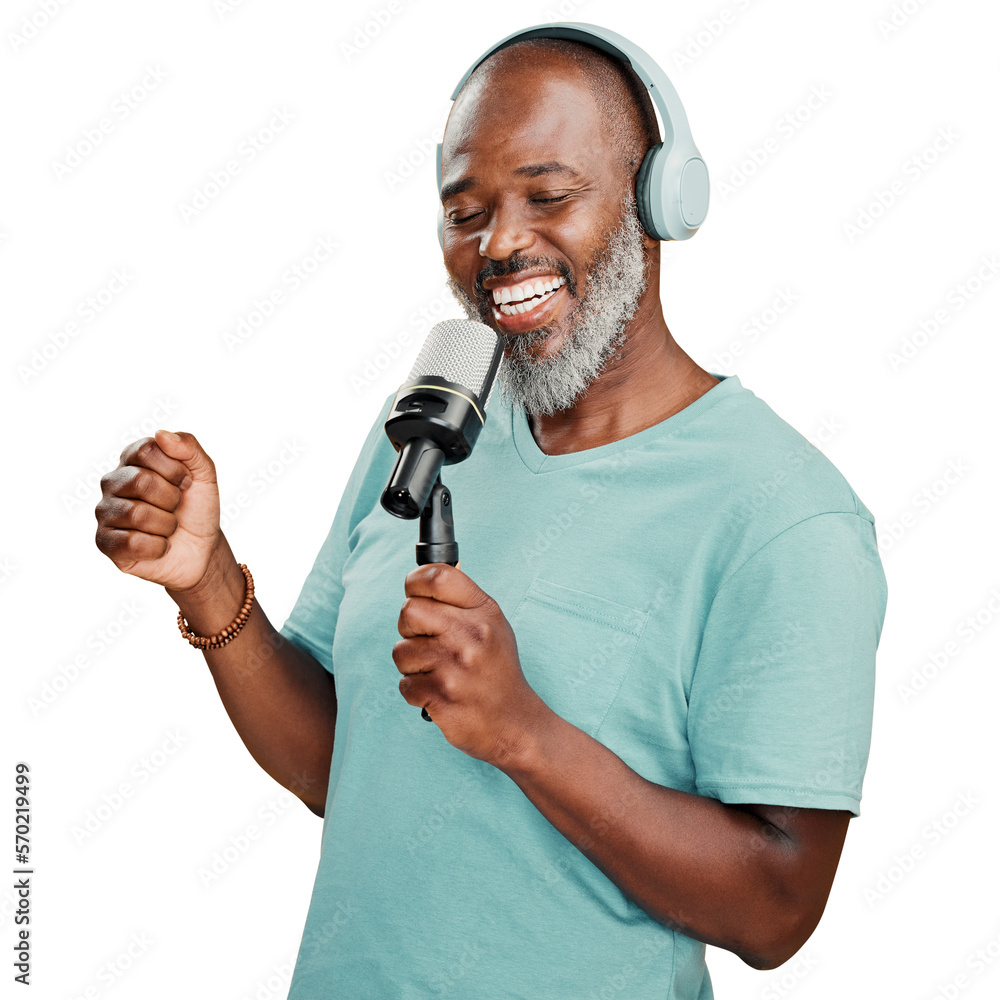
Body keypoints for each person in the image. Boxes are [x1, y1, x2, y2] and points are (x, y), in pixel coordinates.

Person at [95, 28, 888, 1000]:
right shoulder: (430, 426)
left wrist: (523, 731)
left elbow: (776, 910)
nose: (500, 243)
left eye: (548, 197)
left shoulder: (784, 511)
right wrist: (208, 578)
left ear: (655, 198)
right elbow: (336, 764)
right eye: (464, 210)